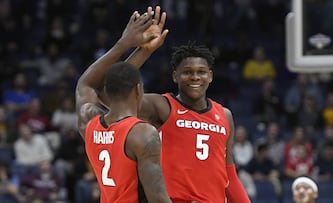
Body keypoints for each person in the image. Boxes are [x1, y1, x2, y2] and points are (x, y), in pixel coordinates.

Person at [92, 5, 251, 203]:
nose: (194, 77)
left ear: (210, 76)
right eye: (187, 72)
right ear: (175, 76)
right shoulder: (162, 106)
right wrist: (143, 51)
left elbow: (230, 176)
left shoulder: (224, 115)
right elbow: (111, 93)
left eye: (201, 71)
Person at [75, 8, 171, 203]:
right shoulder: (142, 134)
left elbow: (86, 84)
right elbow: (158, 198)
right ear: (138, 90)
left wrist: (124, 43)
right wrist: (143, 50)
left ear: (107, 91)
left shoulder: (89, 123)